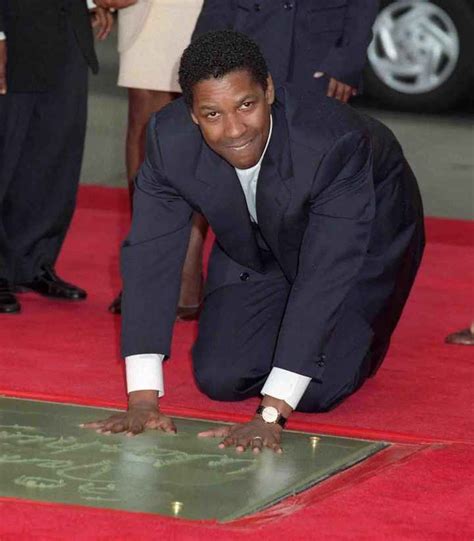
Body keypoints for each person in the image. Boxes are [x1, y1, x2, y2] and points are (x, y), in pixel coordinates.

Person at [84, 31, 424, 453]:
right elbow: (150, 256)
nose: (233, 130)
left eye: (246, 105)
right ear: (191, 113)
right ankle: (287, 322)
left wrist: (271, 414)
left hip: (365, 235)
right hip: (260, 240)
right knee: (220, 379)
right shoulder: (166, 142)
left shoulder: (333, 144)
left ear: (268, 90)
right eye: (211, 114)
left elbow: (324, 275)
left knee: (316, 392)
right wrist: (142, 399)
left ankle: (347, 343)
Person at [93, 0, 205, 317]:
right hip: (145, 11)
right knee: (145, 125)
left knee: (197, 125)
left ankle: (189, 265)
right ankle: (146, 264)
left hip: (200, 8)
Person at [0, 0, 113, 314]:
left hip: (68, 30)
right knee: (6, 152)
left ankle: (31, 263)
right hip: (13, 32)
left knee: (54, 158)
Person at [193, 0, 379, 103]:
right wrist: (206, 59)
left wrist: (346, 59)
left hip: (318, 56)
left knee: (314, 154)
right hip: (248, 45)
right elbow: (217, 7)